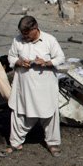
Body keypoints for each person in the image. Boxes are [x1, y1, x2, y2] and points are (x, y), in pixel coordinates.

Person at [7, 16, 65, 156]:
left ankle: (52, 143)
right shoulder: (17, 40)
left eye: (27, 34)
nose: (24, 36)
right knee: (20, 114)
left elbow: (60, 58)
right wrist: (19, 62)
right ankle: (15, 142)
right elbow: (11, 56)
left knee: (49, 114)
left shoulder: (49, 40)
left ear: (35, 28)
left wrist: (45, 62)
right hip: (24, 87)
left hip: (45, 88)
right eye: (23, 34)